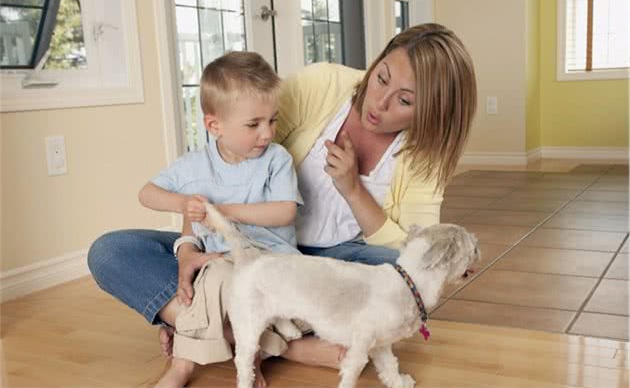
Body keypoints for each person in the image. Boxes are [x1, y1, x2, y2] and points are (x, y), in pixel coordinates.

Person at [88, 22, 477, 380]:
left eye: (404, 101)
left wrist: (353, 190)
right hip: (249, 245)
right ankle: (285, 345)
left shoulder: (427, 154)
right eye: (381, 79)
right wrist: (188, 244)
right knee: (111, 251)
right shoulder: (322, 85)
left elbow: (409, 248)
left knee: (408, 280)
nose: (379, 103)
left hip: (335, 262)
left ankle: (212, 327)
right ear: (375, 63)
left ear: (431, 110)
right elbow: (224, 152)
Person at [135, 51, 303, 387]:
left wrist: (221, 211)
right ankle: (182, 368)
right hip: (222, 262)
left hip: (271, 261)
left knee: (241, 284)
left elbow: (285, 210)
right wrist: (185, 202)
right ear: (215, 126)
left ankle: (252, 360)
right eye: (254, 124)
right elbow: (147, 193)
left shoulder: (276, 159)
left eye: (273, 120)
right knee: (213, 279)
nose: (267, 133)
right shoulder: (195, 166)